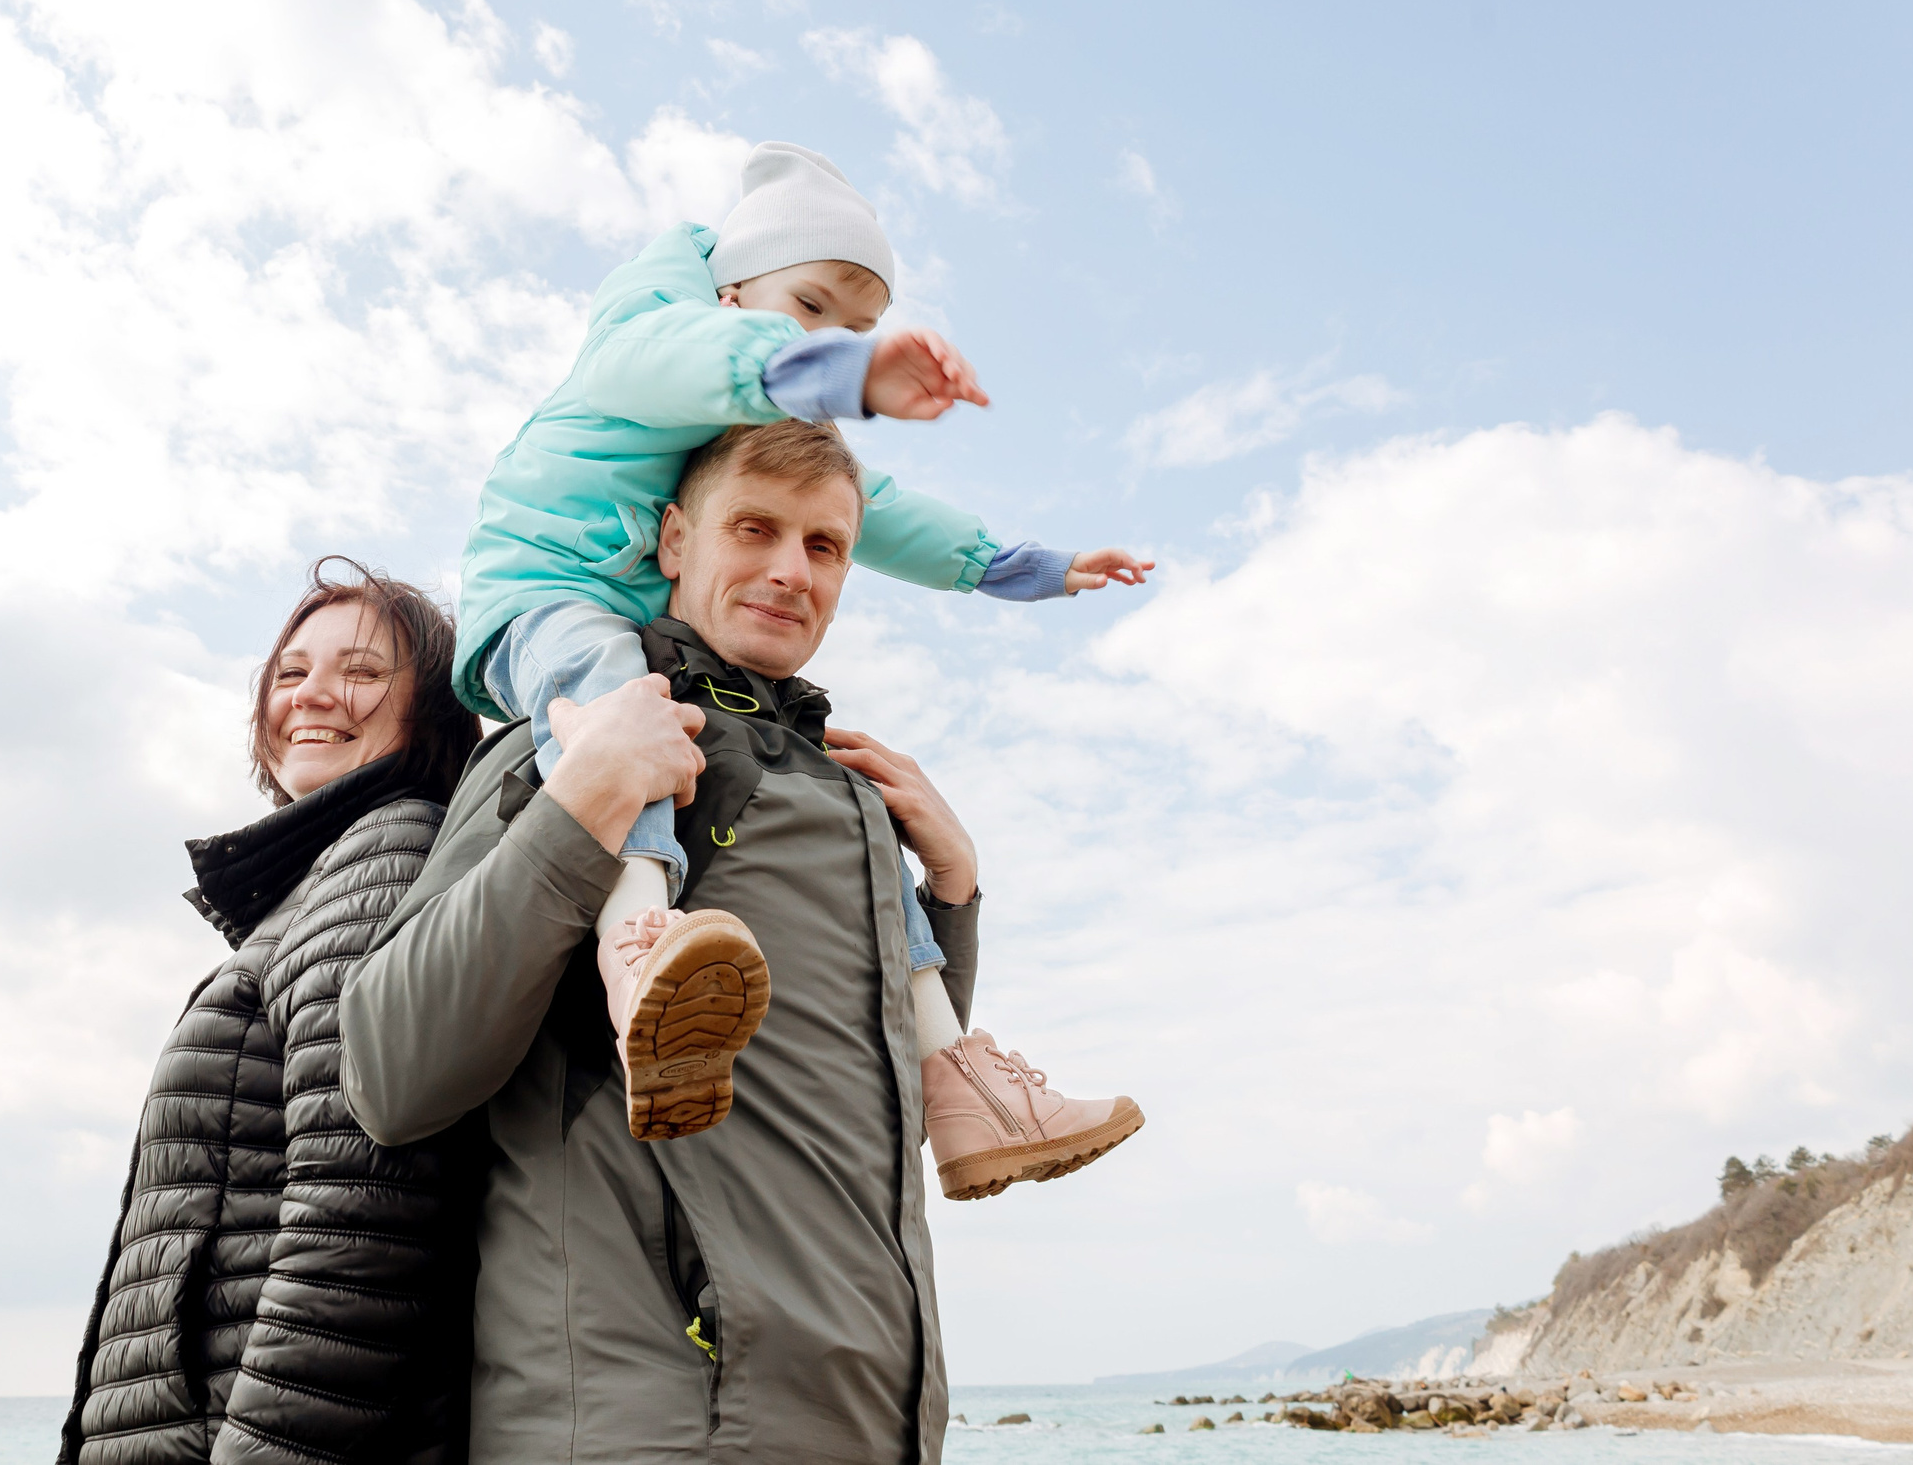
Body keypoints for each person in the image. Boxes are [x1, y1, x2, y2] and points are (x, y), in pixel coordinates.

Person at [342, 421, 1142, 1464]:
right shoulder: (572, 741)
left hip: (867, 1424)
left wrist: (952, 892)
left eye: (824, 546)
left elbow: (844, 1108)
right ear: (674, 540)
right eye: (753, 529)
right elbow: (390, 1074)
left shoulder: (843, 791)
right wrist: (579, 805)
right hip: (656, 1424)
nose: (788, 571)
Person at [453, 138, 1150, 1176]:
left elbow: (869, 509)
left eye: (854, 327)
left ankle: (955, 1074)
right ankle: (638, 943)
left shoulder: (756, 408)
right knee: (624, 703)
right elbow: (687, 355)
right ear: (733, 290)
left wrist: (1021, 566)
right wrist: (844, 369)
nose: (826, 339)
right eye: (810, 306)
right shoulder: (650, 343)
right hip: (545, 600)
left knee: (846, 798)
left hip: (639, 631)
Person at [59, 560, 484, 1465]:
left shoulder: (384, 856)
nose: (314, 694)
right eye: (290, 672)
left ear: (432, 714)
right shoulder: (319, 883)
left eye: (364, 672)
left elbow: (362, 1217)